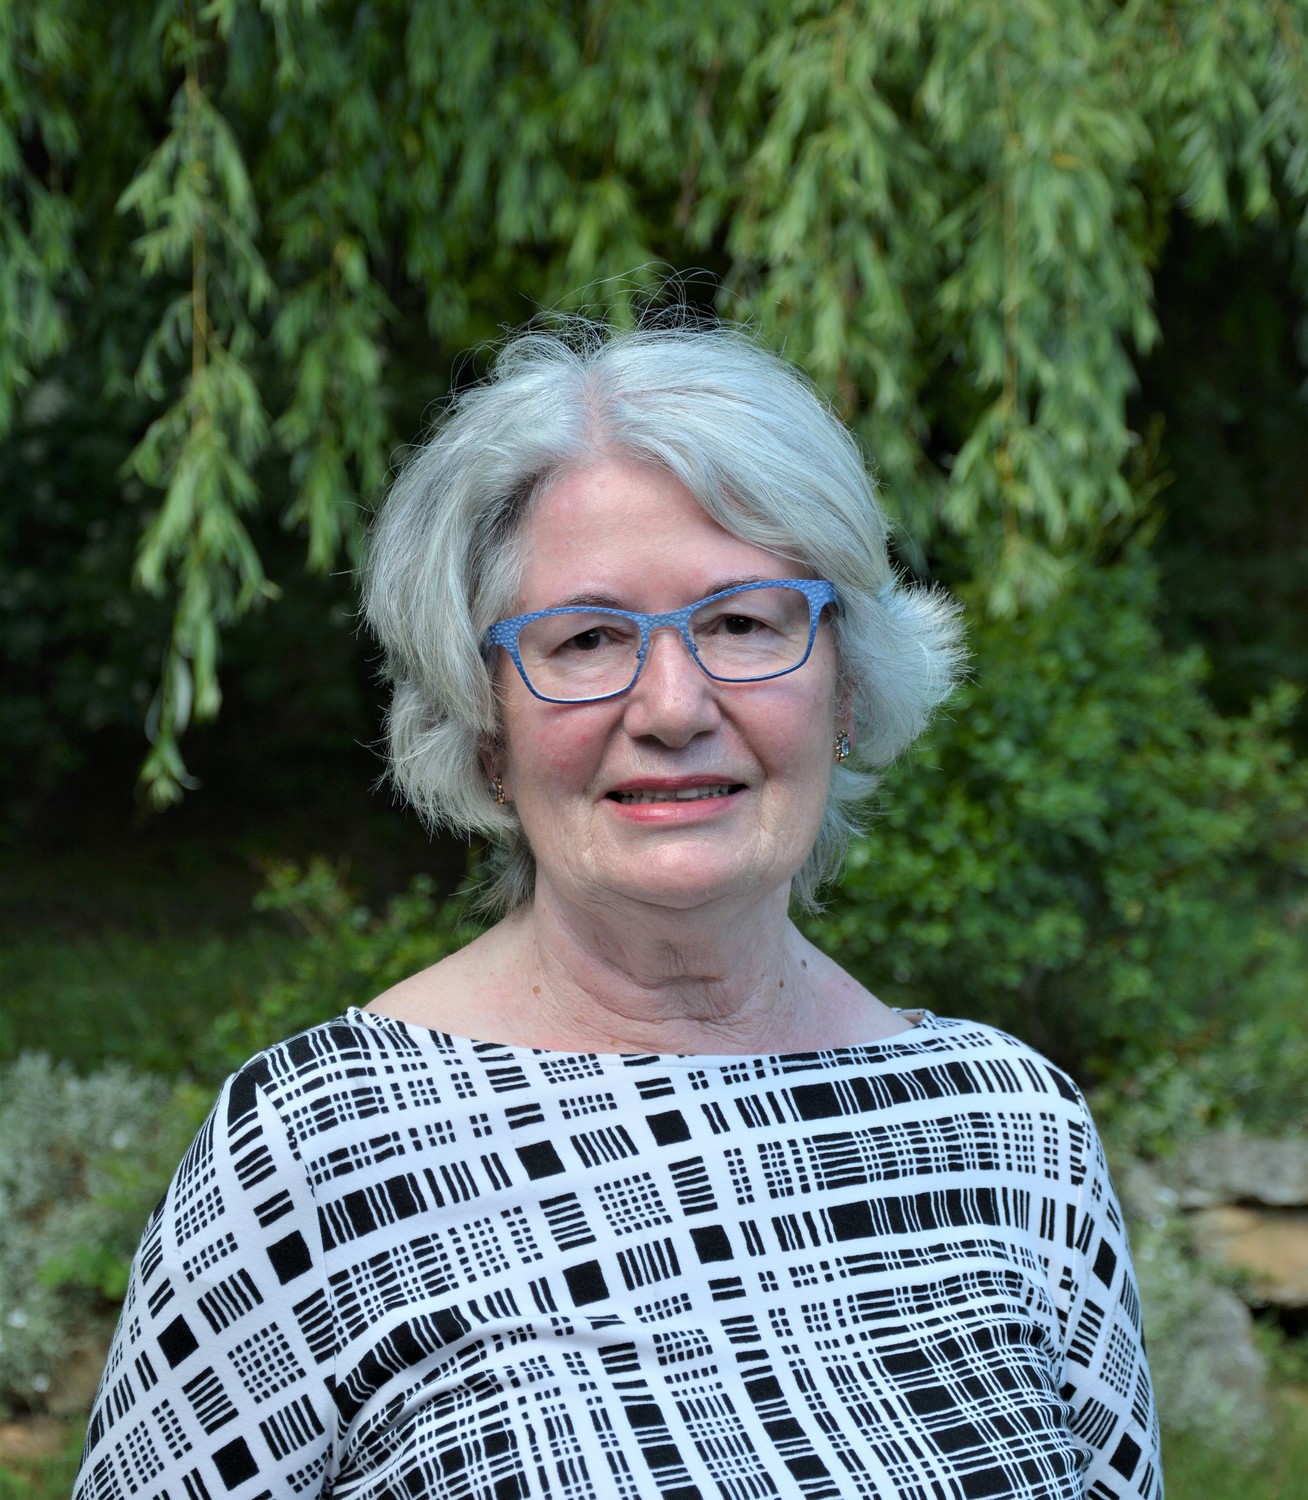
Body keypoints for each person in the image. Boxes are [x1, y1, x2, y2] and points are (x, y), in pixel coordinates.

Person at [75, 322, 1162, 1499]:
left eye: (743, 622)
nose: (673, 707)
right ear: (486, 729)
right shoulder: (320, 1153)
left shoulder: (1014, 1134)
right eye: (589, 639)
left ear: (845, 687)